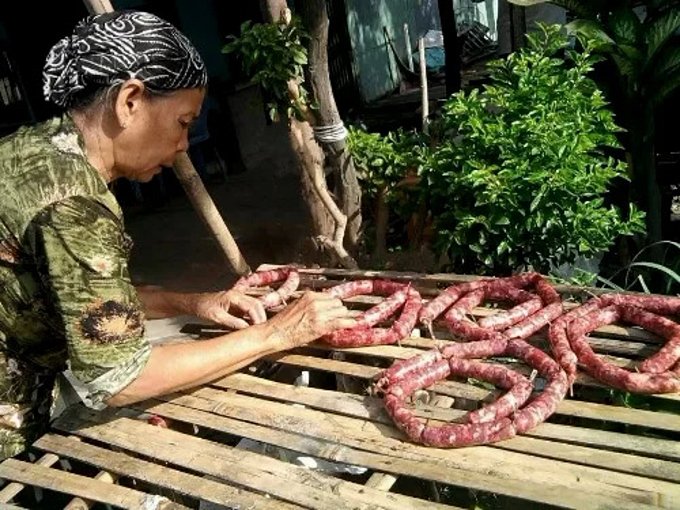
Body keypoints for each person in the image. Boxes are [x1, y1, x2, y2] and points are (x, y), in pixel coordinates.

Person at [0, 10, 356, 460]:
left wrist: (192, 303)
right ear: (130, 101)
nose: (185, 145)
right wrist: (279, 334)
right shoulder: (73, 204)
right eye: (183, 122)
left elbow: (86, 300)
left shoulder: (31, 148)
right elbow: (122, 379)